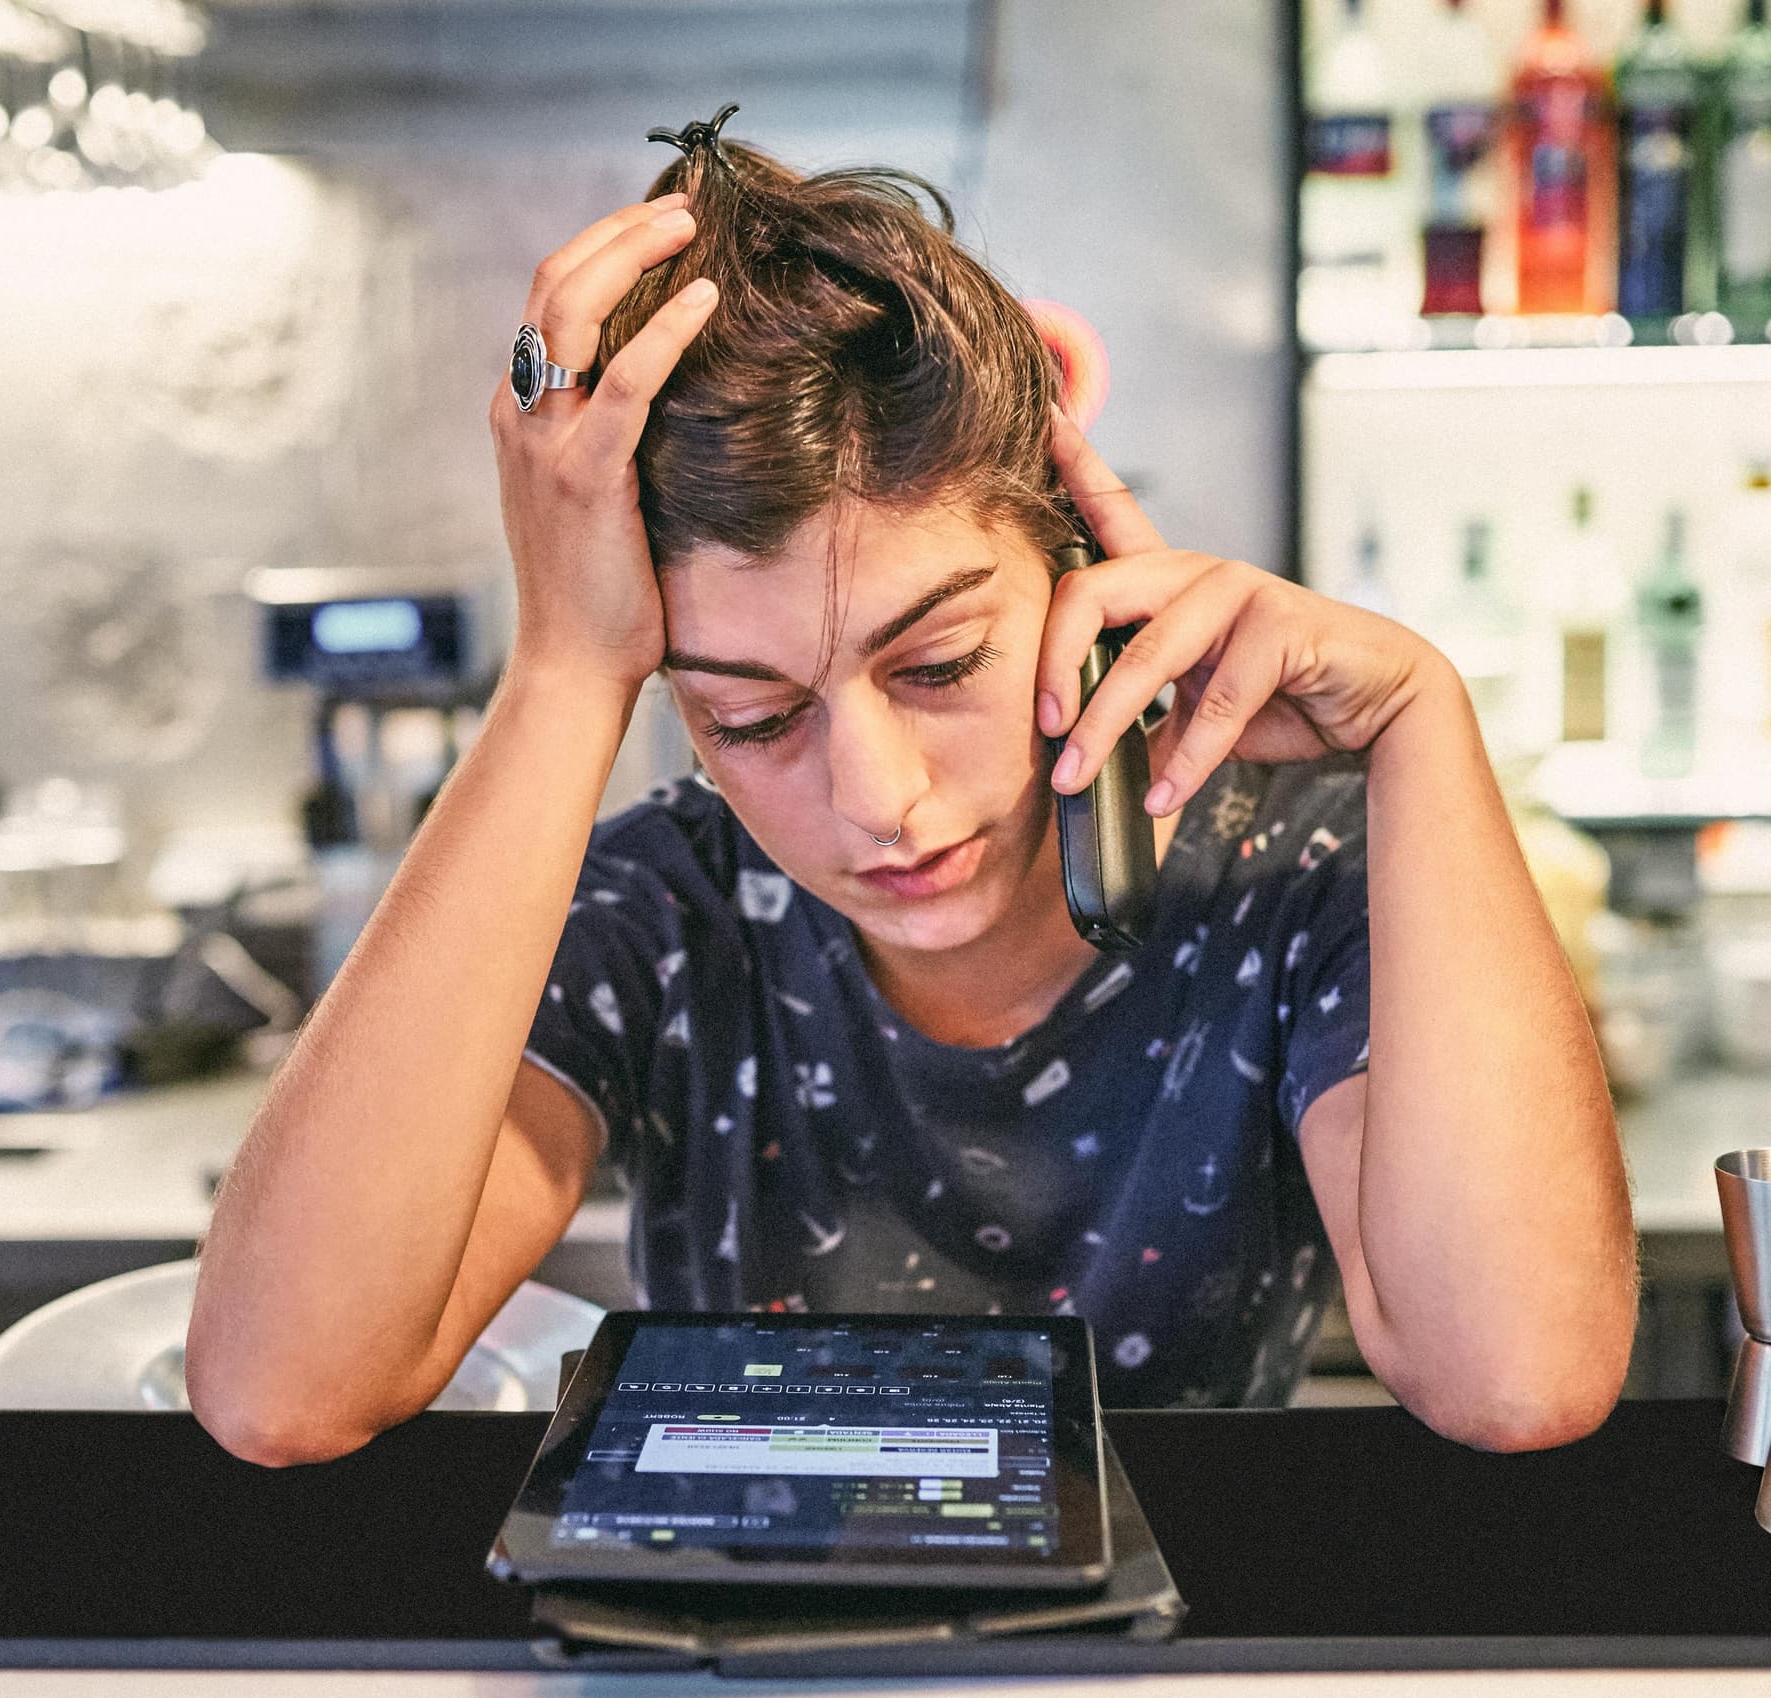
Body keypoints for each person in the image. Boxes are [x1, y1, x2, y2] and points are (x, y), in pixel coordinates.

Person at [186, 108, 1637, 1469]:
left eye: (939, 666)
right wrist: (565, 670)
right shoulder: (662, 909)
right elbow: (283, 1389)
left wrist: (1420, 722)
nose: (876, 799)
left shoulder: (1296, 882)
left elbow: (1519, 1379)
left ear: (1079, 566)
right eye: (752, 718)